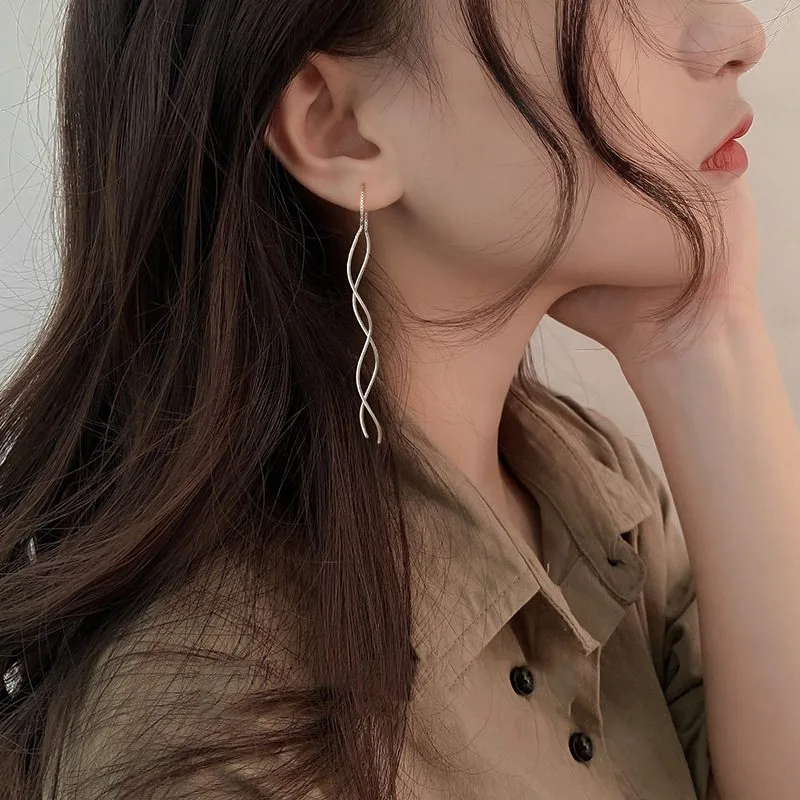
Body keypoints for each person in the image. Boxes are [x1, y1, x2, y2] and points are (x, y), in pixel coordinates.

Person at [0, 0, 797, 798]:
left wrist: (707, 346)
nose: (740, 36)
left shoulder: (595, 489)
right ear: (339, 127)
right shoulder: (214, 742)